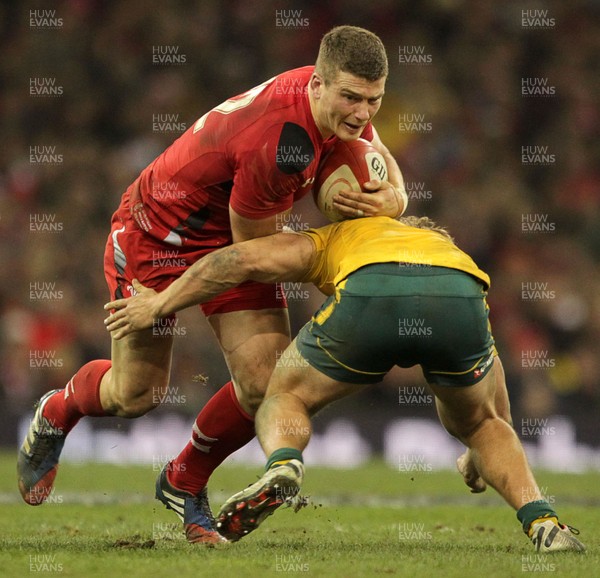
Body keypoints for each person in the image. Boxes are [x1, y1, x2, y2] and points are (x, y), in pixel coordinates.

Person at [17, 25, 407, 544]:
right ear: (316, 84)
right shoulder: (280, 144)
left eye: (373, 101)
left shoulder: (338, 111)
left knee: (265, 384)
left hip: (231, 229)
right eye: (351, 98)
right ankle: (57, 409)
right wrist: (329, 257)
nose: (362, 114)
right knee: (136, 395)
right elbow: (250, 258)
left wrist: (392, 202)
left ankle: (184, 480)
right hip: (158, 234)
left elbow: (390, 174)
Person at [104, 215, 585, 553]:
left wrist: (160, 303)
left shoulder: (340, 236)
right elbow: (493, 412)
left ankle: (285, 463)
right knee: (482, 424)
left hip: (370, 292)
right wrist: (477, 453)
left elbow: (235, 264)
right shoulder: (449, 254)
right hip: (459, 296)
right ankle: (544, 521)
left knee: (283, 394)